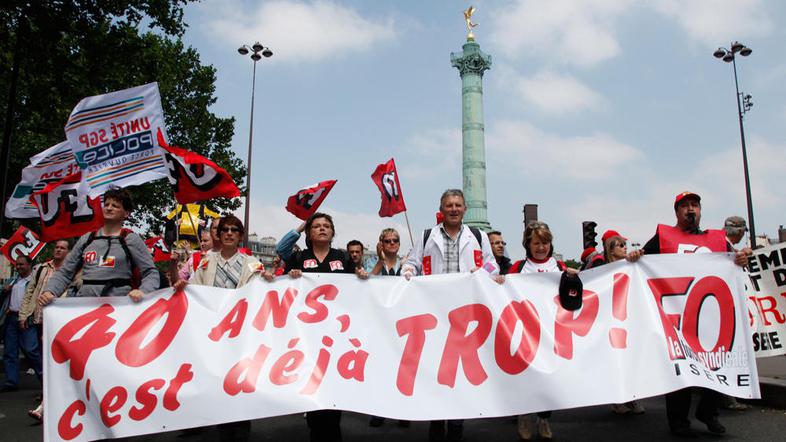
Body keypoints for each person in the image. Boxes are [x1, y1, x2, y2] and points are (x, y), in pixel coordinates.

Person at [628, 191, 749, 437]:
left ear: (700, 211)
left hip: (710, 318)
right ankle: (678, 422)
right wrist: (635, 256)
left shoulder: (717, 239)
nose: (690, 209)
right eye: (685, 206)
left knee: (718, 364)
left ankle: (708, 412)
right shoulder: (663, 237)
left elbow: (735, 261)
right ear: (677, 212)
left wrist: (742, 258)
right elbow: (641, 261)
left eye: (694, 205)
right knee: (679, 370)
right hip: (676, 318)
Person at [401, 189, 500, 442]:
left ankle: (456, 424)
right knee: (438, 369)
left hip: (465, 313)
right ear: (441, 209)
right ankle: (436, 422)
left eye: (458, 205)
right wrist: (409, 273)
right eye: (449, 205)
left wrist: (484, 274)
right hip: (435, 312)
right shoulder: (426, 236)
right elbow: (411, 263)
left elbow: (492, 264)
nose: (454, 209)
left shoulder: (477, 236)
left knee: (459, 371)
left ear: (465, 208)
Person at [174, 215, 267, 441]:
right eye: (224, 229)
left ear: (240, 236)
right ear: (218, 233)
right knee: (218, 383)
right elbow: (195, 290)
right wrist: (182, 285)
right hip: (214, 334)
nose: (228, 233)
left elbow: (260, 292)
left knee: (240, 382)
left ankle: (240, 429)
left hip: (241, 334)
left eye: (234, 230)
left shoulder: (253, 263)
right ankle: (224, 428)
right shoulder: (206, 262)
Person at [285, 212, 368, 442]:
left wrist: (360, 276)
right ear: (309, 233)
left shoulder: (343, 258)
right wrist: (290, 277)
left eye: (327, 226)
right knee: (313, 390)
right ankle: (316, 428)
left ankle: (331, 430)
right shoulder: (298, 258)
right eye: (317, 226)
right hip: (307, 336)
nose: (322, 229)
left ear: (332, 233)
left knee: (333, 392)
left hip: (336, 335)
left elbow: (358, 289)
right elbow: (282, 289)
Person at [508, 221, 580, 440]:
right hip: (526, 330)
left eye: (545, 243)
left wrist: (574, 278)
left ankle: (545, 419)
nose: (541, 247)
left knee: (549, 376)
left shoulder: (559, 267)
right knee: (527, 375)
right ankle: (524, 415)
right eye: (537, 243)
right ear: (528, 244)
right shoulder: (519, 268)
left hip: (551, 330)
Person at [38, 187, 159, 305]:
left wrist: (143, 291)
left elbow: (150, 272)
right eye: (106, 205)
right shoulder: (87, 239)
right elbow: (65, 272)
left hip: (119, 308)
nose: (109, 208)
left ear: (126, 213)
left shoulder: (129, 239)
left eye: (115, 206)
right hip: (86, 306)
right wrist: (50, 291)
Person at [19, 239, 72, 420]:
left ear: (69, 252)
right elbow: (30, 291)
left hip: (58, 321)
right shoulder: (42, 268)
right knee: (32, 351)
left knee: (55, 360)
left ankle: (49, 398)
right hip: (38, 318)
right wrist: (24, 314)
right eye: (56, 247)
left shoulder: (72, 270)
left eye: (62, 248)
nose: (58, 250)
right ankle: (48, 387)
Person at [596, 233, 646, 415]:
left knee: (632, 358)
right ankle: (618, 400)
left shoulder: (632, 266)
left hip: (630, 318)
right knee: (617, 360)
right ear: (611, 249)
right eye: (620, 245)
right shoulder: (601, 268)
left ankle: (633, 397)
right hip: (612, 320)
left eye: (625, 244)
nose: (625, 248)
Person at [1, 255, 43, 393]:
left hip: (26, 318)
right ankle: (11, 381)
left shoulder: (34, 281)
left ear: (29, 265)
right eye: (17, 264)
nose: (18, 267)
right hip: (11, 317)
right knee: (10, 351)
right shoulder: (13, 280)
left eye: (21, 264)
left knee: (32, 350)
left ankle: (45, 379)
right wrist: (4, 290)